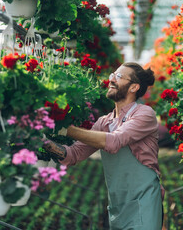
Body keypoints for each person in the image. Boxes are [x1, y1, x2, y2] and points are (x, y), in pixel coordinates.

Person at [43, 62, 163, 230]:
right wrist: (42, 141)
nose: (112, 80)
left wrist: (64, 129)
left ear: (134, 87)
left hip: (144, 203)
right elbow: (73, 154)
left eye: (119, 77)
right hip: (117, 205)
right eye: (112, 75)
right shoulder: (104, 122)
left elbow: (113, 141)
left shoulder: (144, 114)